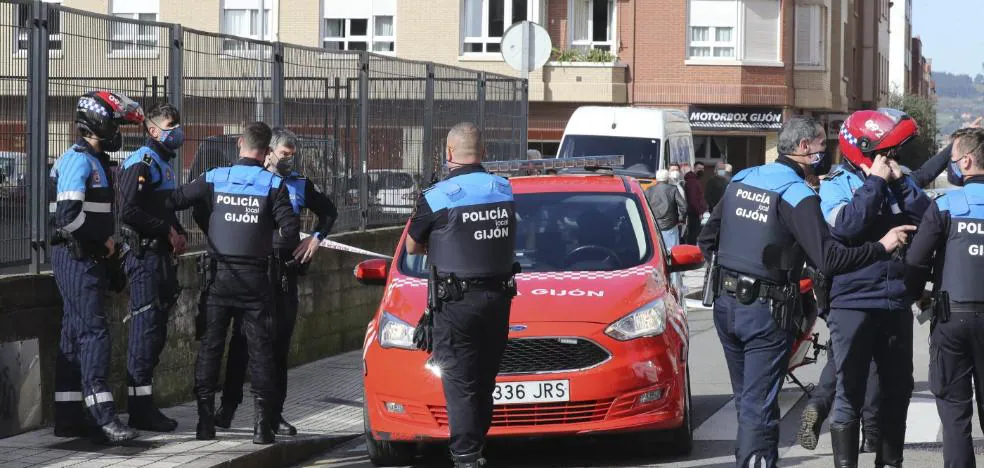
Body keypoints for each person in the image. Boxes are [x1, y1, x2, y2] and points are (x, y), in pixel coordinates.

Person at [696, 116, 914, 468]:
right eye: (820, 146)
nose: (825, 153)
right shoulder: (797, 194)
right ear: (803, 149)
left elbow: (707, 240)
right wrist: (882, 246)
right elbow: (829, 258)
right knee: (760, 409)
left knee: (746, 402)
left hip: (725, 306)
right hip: (764, 312)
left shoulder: (742, 178)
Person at [816, 108, 951, 468]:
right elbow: (845, 227)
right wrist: (874, 183)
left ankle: (890, 463)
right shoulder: (836, 183)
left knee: (897, 390)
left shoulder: (898, 179)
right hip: (851, 301)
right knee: (850, 390)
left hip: (894, 300)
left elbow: (928, 218)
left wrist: (899, 183)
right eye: (885, 152)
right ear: (863, 150)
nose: (891, 159)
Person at [165, 122, 299, 444]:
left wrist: (204, 224)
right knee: (261, 352)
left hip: (219, 277)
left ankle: (204, 424)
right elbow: (290, 232)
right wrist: (260, 238)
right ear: (266, 151)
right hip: (256, 280)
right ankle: (261, 428)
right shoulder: (273, 185)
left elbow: (174, 200)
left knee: (211, 348)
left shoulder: (214, 177)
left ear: (240, 143)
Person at [406, 122, 518, 468]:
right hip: (498, 300)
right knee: (485, 379)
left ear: (449, 153)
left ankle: (466, 455)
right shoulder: (503, 189)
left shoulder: (436, 196)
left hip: (455, 303)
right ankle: (475, 447)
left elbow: (412, 246)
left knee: (459, 380)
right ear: (483, 152)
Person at [215, 127, 338, 436]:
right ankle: (228, 406)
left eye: (293, 157)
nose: (289, 162)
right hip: (253, 273)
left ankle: (273, 414)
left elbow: (329, 212)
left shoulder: (299, 184)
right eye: (285, 155)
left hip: (283, 275)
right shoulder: (250, 180)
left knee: (278, 347)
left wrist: (316, 239)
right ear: (268, 151)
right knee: (243, 342)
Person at [49, 90, 144, 443]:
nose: (118, 130)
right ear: (97, 123)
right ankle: (103, 417)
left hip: (86, 258)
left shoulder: (97, 160)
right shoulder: (78, 160)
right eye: (115, 123)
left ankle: (69, 418)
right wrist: (103, 242)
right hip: (76, 258)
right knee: (93, 334)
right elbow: (67, 218)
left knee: (74, 335)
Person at [905, 127, 984, 468]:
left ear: (965, 161)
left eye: (951, 158)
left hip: (952, 318)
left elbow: (916, 262)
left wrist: (914, 295)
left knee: (955, 416)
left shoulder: (945, 205)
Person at [117, 102, 188, 433]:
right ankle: (139, 410)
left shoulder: (164, 163)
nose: (177, 131)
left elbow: (165, 207)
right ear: (152, 129)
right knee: (144, 332)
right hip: (144, 258)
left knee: (156, 332)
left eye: (177, 124)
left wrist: (179, 231)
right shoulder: (141, 161)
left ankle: (146, 404)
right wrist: (164, 230)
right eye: (170, 125)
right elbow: (128, 210)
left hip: (161, 259)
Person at [645, 169, 686, 252]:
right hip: (670, 225)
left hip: (653, 225)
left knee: (657, 251)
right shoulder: (673, 189)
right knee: (672, 251)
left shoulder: (649, 190)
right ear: (667, 179)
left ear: (657, 179)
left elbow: (645, 207)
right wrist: (681, 218)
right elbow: (684, 206)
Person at [684, 166, 708, 245]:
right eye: (699, 168)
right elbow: (693, 199)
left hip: (694, 211)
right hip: (694, 212)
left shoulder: (695, 180)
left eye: (702, 168)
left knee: (693, 233)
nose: (701, 170)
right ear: (694, 169)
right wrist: (699, 212)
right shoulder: (692, 181)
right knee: (694, 233)